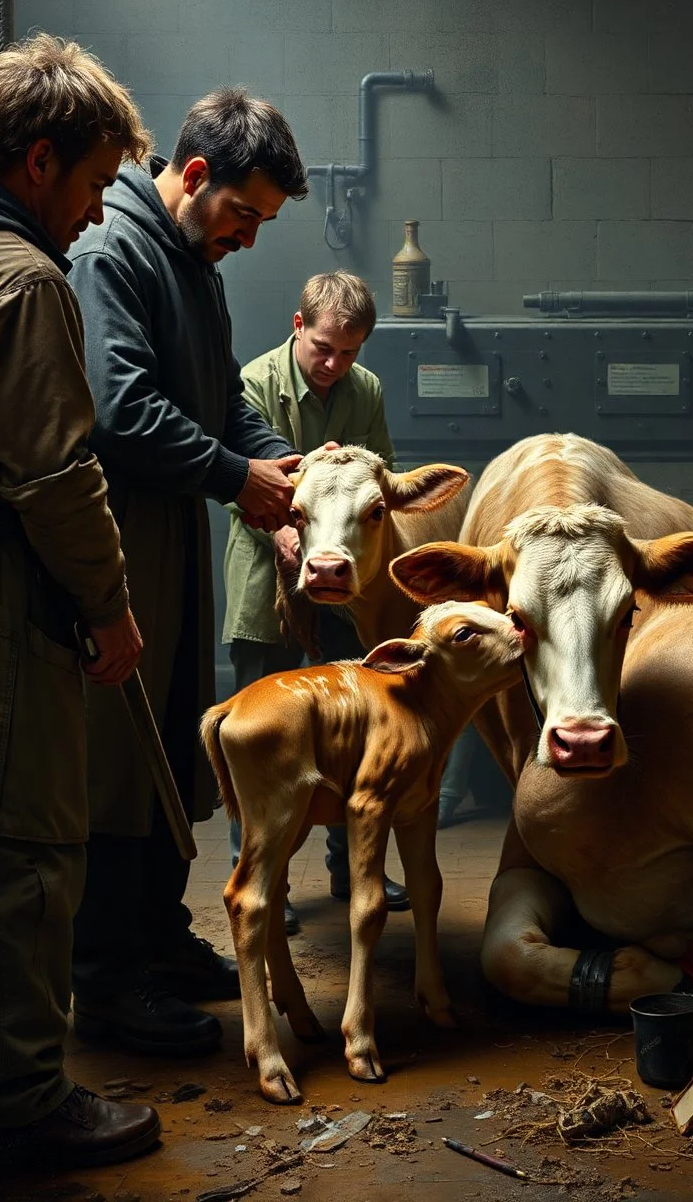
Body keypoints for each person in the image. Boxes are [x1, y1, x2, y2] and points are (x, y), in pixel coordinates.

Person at [66, 89, 308, 1057]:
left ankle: (160, 942)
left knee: (170, 742)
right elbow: (120, 409)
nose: (249, 239)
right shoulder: (111, 253)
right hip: (124, 536)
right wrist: (230, 476)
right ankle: (107, 981)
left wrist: (282, 464)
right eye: (243, 214)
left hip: (174, 531)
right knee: (121, 762)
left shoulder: (193, 259)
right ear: (194, 176)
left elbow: (215, 401)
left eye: (264, 224)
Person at [0, 35, 160, 1166]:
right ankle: (20, 1102)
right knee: (23, 848)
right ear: (39, 162)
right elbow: (52, 475)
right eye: (92, 185)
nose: (96, 216)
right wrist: (110, 605)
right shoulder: (23, 280)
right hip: (0, 592)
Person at [222, 271, 410, 935]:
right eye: (324, 348)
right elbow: (242, 482)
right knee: (261, 737)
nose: (334, 366)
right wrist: (283, 532)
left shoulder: (366, 392)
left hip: (347, 584)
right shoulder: (253, 383)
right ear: (298, 326)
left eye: (350, 353)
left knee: (353, 729)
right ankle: (259, 875)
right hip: (268, 575)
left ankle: (352, 864)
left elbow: (380, 478)